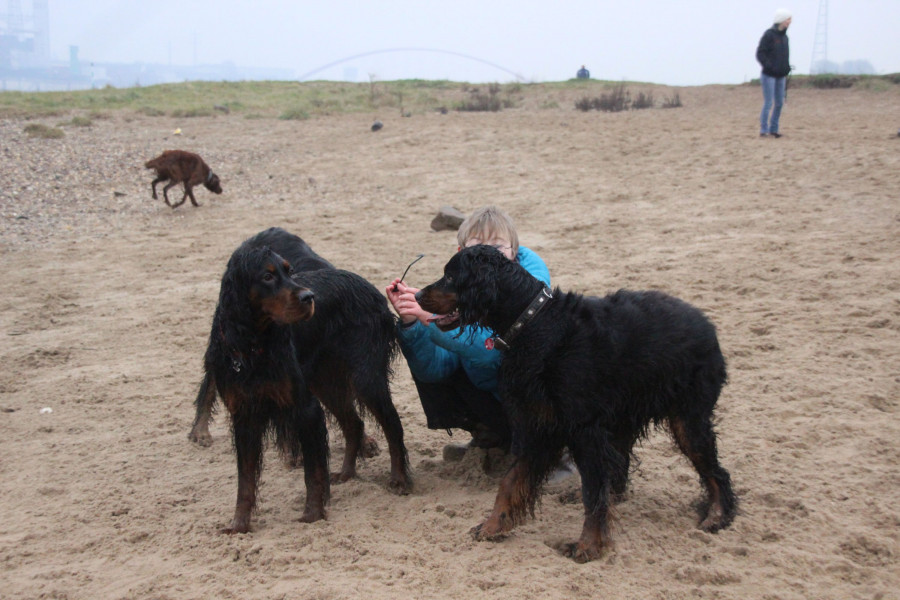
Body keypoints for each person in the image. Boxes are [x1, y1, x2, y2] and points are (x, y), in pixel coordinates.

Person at [385, 206, 551, 460]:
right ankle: (489, 434)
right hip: (494, 395)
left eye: (497, 247)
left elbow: (489, 350)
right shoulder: (459, 286)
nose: (486, 254)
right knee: (439, 347)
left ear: (514, 252)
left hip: (536, 400)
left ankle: (557, 453)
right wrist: (412, 322)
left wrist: (431, 318)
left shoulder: (530, 281)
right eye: (476, 247)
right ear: (461, 252)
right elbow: (435, 370)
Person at [756, 9, 792, 138]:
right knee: (768, 102)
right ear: (781, 20)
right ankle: (764, 129)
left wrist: (786, 67)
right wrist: (769, 66)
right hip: (769, 75)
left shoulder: (785, 38)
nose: (789, 22)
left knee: (779, 103)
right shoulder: (769, 35)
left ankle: (774, 129)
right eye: (788, 19)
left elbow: (784, 56)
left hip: (781, 75)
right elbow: (760, 53)